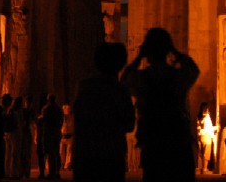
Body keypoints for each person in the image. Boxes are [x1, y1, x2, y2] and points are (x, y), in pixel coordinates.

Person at [121, 28, 199, 182]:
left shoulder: (141, 79)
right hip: (177, 140)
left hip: (152, 140)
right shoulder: (177, 77)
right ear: (167, 50)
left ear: (147, 52)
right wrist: (175, 51)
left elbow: (124, 79)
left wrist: (138, 57)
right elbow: (193, 70)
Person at [72, 42, 136, 182]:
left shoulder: (84, 87)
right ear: (121, 64)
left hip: (85, 154)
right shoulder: (120, 90)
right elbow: (130, 124)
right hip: (111, 154)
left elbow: (77, 119)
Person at [40, 94, 64, 179]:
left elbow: (44, 119)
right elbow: (62, 120)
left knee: (50, 152)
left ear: (48, 100)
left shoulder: (46, 109)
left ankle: (51, 172)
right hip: (56, 132)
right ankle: (57, 172)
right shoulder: (59, 109)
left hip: (49, 132)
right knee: (56, 152)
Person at [196, 102, 216, 174]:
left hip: (201, 136)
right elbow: (208, 128)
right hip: (207, 136)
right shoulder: (207, 117)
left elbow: (199, 128)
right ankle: (204, 169)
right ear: (206, 109)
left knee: (201, 153)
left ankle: (201, 168)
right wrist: (216, 129)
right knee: (206, 153)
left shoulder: (198, 117)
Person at [59, 103, 74, 173]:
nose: (65, 110)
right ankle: (61, 164)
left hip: (70, 136)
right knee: (61, 151)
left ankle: (67, 165)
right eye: (64, 109)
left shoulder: (72, 118)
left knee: (69, 152)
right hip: (62, 136)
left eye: (67, 109)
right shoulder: (61, 118)